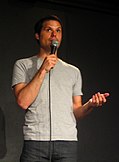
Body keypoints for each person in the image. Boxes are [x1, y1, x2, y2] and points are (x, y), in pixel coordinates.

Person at [12, 15, 110, 162]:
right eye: (49, 30)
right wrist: (42, 70)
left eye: (58, 30)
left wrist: (90, 105)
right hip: (35, 143)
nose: (54, 34)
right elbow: (23, 101)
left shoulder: (73, 71)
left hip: (67, 144)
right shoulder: (23, 65)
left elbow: (76, 112)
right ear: (38, 35)